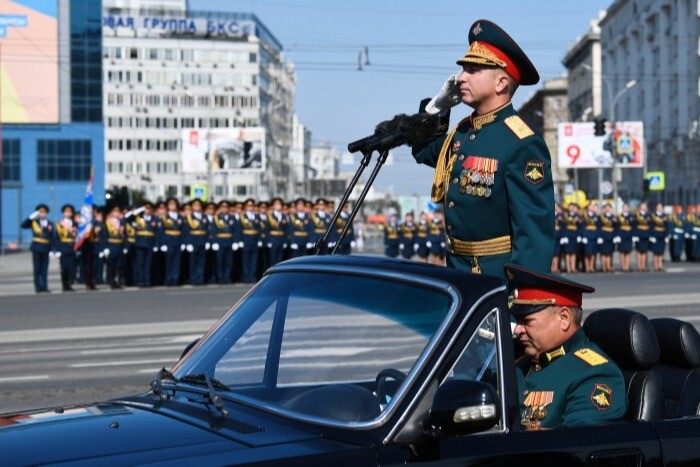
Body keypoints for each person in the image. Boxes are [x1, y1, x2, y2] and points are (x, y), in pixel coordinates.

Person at [412, 20, 554, 282]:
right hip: (458, 275)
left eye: (473, 69)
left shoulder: (521, 142)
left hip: (495, 281)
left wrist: (522, 307)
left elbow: (533, 235)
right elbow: (423, 150)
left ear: (501, 83)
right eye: (463, 69)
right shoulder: (462, 133)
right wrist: (436, 108)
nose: (461, 77)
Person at [506, 264, 627, 430]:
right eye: (518, 321)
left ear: (563, 319)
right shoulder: (522, 361)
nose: (518, 330)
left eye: (526, 321)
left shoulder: (595, 374)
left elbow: (578, 447)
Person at [21, 204, 54, 293]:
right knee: (37, 268)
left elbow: (52, 237)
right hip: (37, 247)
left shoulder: (49, 223)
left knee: (44, 268)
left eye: (44, 212)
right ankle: (37, 286)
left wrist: (52, 250)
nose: (43, 214)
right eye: (41, 212)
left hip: (46, 247)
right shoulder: (34, 222)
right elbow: (23, 225)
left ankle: (44, 286)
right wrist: (31, 216)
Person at [212, 200, 240, 284]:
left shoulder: (233, 218)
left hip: (230, 242)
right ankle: (220, 278)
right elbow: (213, 231)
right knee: (220, 262)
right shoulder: (216, 218)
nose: (224, 209)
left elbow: (236, 230)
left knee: (229, 262)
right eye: (222, 207)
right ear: (220, 208)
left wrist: (236, 241)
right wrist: (214, 242)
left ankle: (227, 278)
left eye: (226, 207)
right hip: (220, 242)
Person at [183, 198, 210, 285]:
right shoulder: (189, 217)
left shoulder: (204, 217)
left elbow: (207, 231)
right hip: (193, 241)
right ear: (192, 207)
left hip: (202, 241)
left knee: (201, 262)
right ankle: (193, 278)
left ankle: (200, 278)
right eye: (195, 205)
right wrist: (188, 243)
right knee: (193, 262)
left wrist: (208, 241)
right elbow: (186, 231)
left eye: (198, 205)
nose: (197, 207)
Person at [158, 197, 184, 286]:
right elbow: (161, 231)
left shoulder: (180, 217)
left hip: (178, 241)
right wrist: (162, 243)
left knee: (177, 262)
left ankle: (175, 278)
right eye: (170, 204)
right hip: (168, 241)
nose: (172, 206)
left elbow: (184, 231)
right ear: (168, 206)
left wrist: (183, 242)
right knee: (168, 262)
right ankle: (168, 279)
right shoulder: (164, 217)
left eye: (174, 204)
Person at [55, 204, 78, 292]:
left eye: (70, 212)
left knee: (71, 267)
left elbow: (77, 235)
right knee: (64, 267)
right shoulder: (60, 224)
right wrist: (57, 249)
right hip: (63, 247)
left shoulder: (74, 223)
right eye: (66, 212)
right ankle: (65, 285)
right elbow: (56, 237)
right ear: (63, 213)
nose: (68, 213)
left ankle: (70, 283)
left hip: (72, 247)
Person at [239, 198, 261, 283]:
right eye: (248, 206)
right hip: (246, 240)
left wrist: (259, 240)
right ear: (245, 207)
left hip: (255, 240)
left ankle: (252, 276)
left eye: (252, 206)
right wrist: (239, 240)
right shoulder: (243, 217)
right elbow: (239, 229)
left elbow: (259, 230)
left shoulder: (257, 216)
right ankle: (246, 277)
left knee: (253, 260)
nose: (250, 208)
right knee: (246, 261)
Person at [103, 204, 124, 289]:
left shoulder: (121, 222)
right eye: (115, 211)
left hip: (120, 244)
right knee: (111, 265)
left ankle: (119, 281)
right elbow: (104, 235)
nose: (116, 213)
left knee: (119, 265)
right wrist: (105, 247)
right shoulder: (107, 222)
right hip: (111, 244)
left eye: (118, 211)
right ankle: (111, 281)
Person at [266, 197, 289, 265]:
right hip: (273, 239)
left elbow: (286, 230)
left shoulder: (284, 216)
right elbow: (267, 229)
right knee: (273, 259)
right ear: (273, 206)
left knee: (280, 259)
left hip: (281, 239)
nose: (278, 206)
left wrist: (285, 241)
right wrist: (268, 241)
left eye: (279, 205)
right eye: (276, 205)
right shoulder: (270, 216)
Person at [580, 202, 600, 273]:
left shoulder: (596, 216)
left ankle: (591, 267)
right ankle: (587, 267)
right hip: (587, 236)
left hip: (594, 236)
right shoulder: (584, 216)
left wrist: (598, 236)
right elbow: (582, 227)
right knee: (587, 253)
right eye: (591, 206)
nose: (593, 207)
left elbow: (598, 227)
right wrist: (583, 236)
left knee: (593, 253)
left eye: (593, 206)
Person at [598, 203, 617, 273]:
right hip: (603, 236)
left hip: (611, 236)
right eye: (606, 208)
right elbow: (598, 227)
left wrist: (615, 236)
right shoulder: (601, 217)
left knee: (609, 252)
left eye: (609, 208)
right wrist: (599, 236)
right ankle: (603, 267)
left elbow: (616, 227)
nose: (607, 209)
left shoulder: (614, 217)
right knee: (603, 253)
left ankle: (608, 266)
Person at [562, 203, 581, 273]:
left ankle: (573, 268)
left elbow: (580, 227)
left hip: (574, 235)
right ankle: (568, 268)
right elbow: (563, 227)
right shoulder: (565, 216)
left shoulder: (577, 216)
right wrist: (564, 236)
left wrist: (579, 235)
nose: (572, 208)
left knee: (573, 253)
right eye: (570, 207)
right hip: (567, 236)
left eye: (573, 207)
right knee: (567, 253)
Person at [650, 203, 669, 272]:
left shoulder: (665, 216)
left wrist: (666, 236)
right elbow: (651, 227)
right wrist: (652, 236)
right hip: (655, 235)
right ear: (656, 208)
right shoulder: (653, 216)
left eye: (661, 207)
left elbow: (667, 227)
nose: (660, 208)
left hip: (662, 235)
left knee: (661, 252)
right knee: (655, 252)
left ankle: (660, 265)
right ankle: (655, 266)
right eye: (659, 207)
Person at [633, 202, 651, 272]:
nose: (644, 208)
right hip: (639, 234)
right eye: (643, 206)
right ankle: (639, 266)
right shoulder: (636, 215)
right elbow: (634, 226)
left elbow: (650, 226)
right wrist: (635, 235)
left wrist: (650, 235)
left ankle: (643, 265)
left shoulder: (649, 215)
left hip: (646, 235)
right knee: (639, 251)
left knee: (644, 251)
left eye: (645, 206)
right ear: (640, 207)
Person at [616, 203, 634, 272]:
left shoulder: (631, 217)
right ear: (622, 208)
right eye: (624, 207)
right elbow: (617, 227)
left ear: (628, 209)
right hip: (621, 235)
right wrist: (617, 236)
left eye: (627, 207)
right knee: (622, 252)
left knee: (628, 251)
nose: (625, 209)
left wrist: (633, 235)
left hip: (629, 235)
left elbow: (633, 227)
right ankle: (623, 266)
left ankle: (627, 266)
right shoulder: (619, 217)